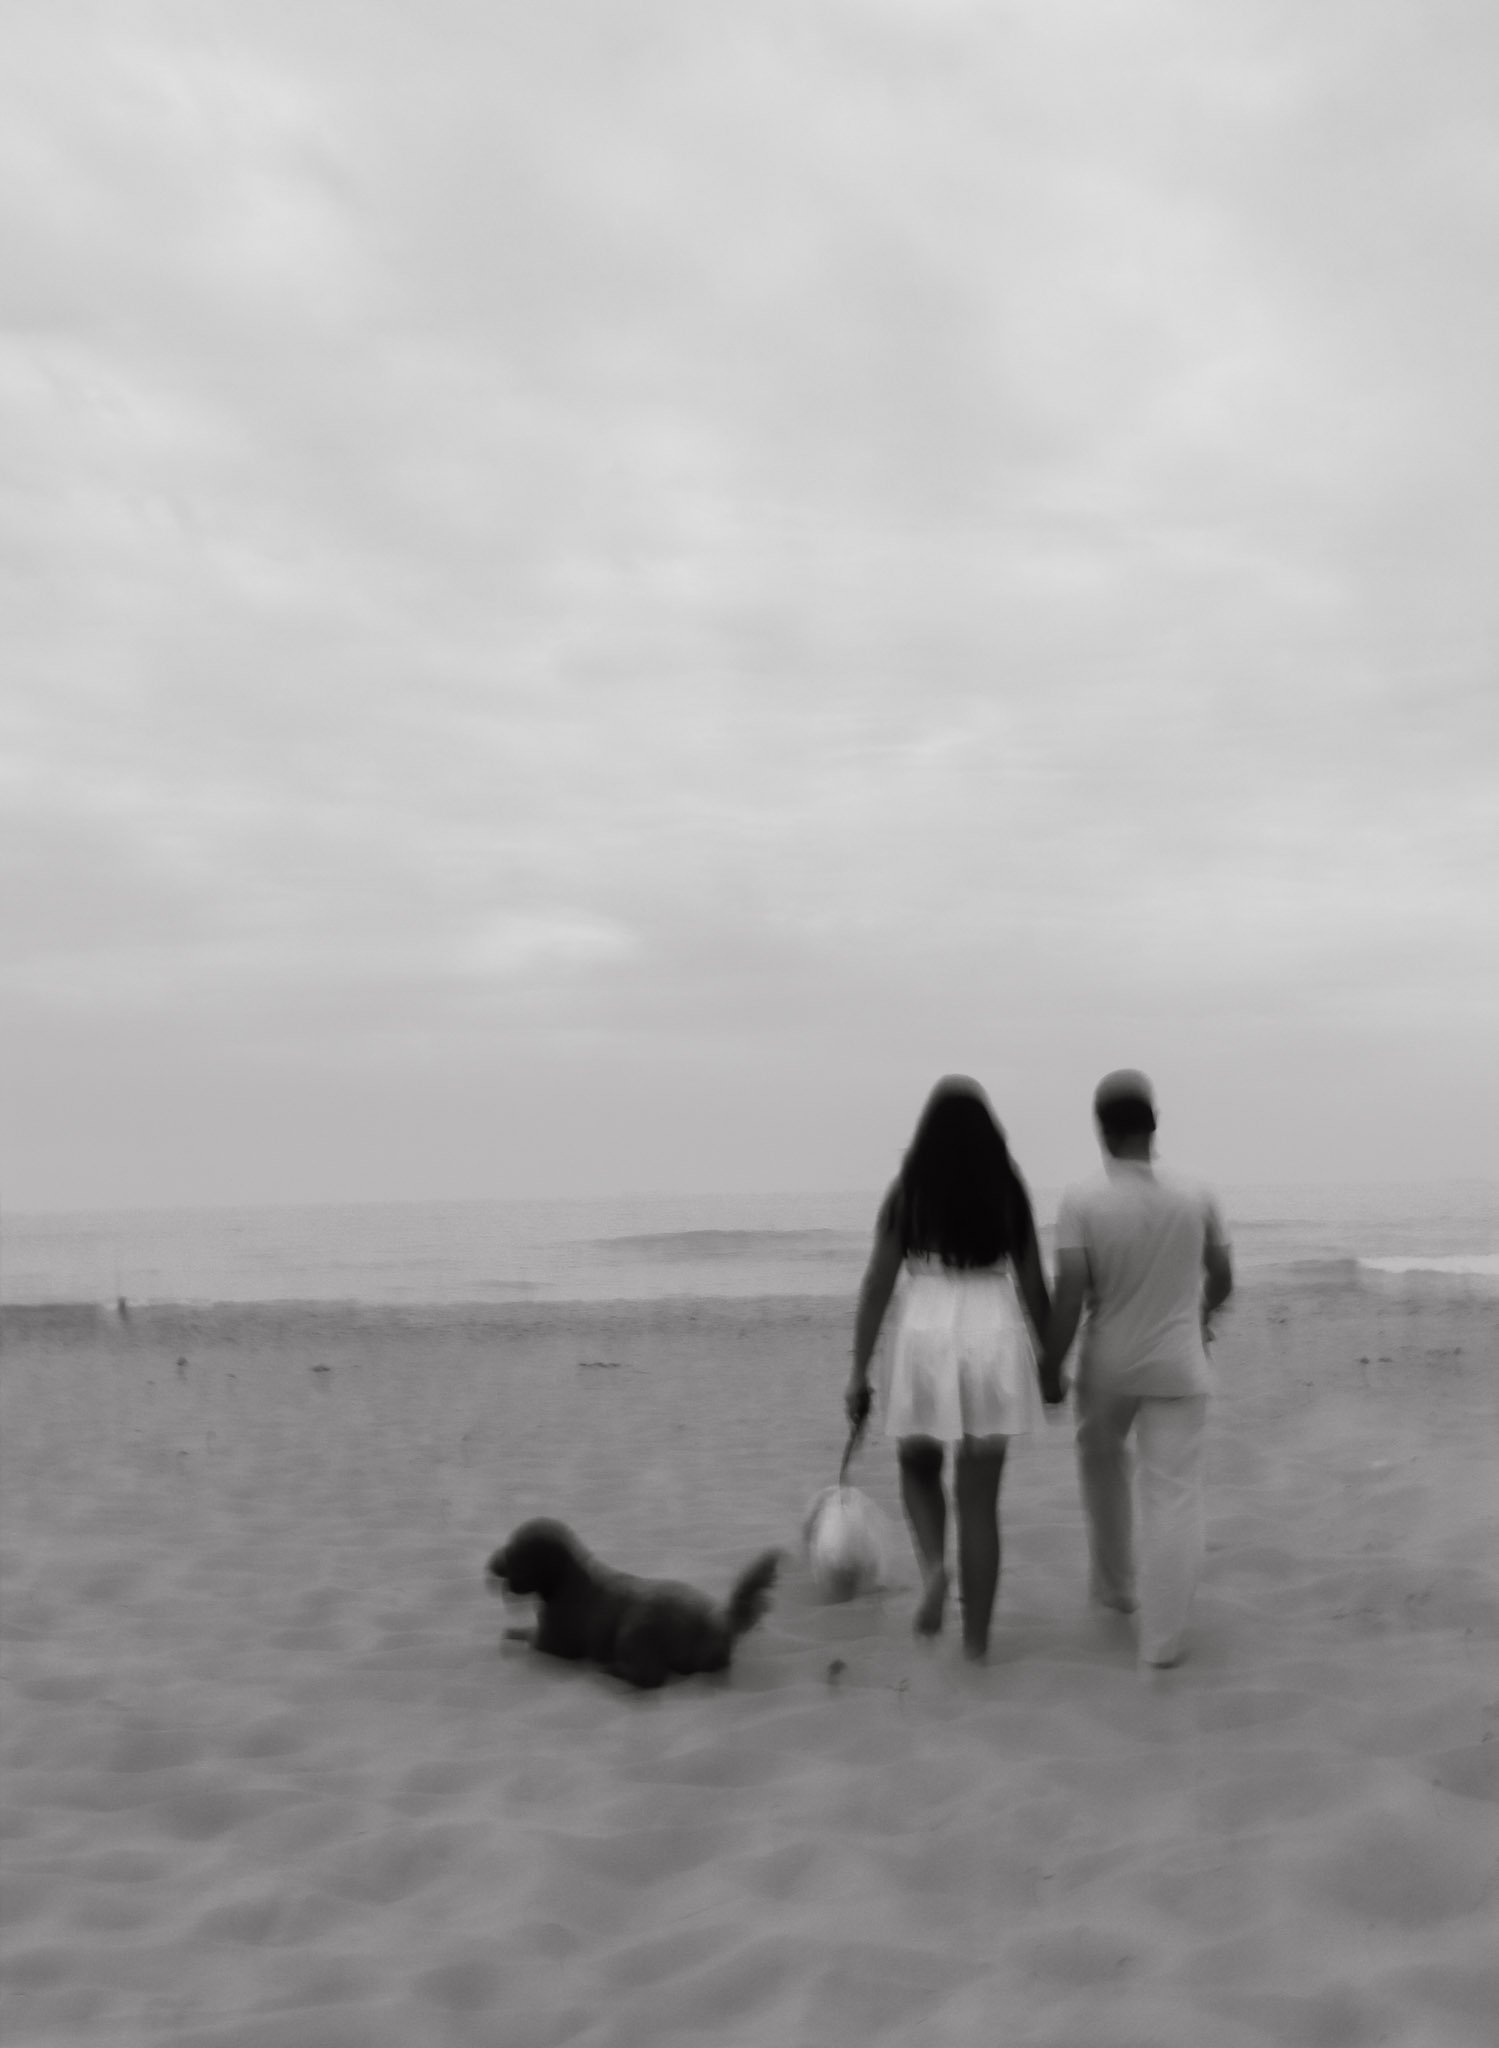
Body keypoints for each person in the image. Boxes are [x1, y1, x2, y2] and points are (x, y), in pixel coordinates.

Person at [845, 1077, 1051, 1661]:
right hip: (992, 1324)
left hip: (925, 1326)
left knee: (917, 1464)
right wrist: (1052, 1359)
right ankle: (977, 1647)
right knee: (979, 1502)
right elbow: (1034, 1286)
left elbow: (877, 1282)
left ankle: (936, 1566)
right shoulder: (1007, 1189)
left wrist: (858, 1369)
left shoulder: (908, 1190)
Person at [1039, 1070, 1233, 1669]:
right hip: (1178, 1364)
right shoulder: (1197, 1193)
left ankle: (1117, 1588)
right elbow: (1223, 1277)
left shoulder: (1082, 1199)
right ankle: (1162, 1643)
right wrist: (1200, 1315)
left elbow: (1070, 1295)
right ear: (1154, 1125)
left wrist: (1050, 1365)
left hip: (1108, 1366)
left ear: (1102, 1130)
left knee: (1103, 1472)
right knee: (1173, 1496)